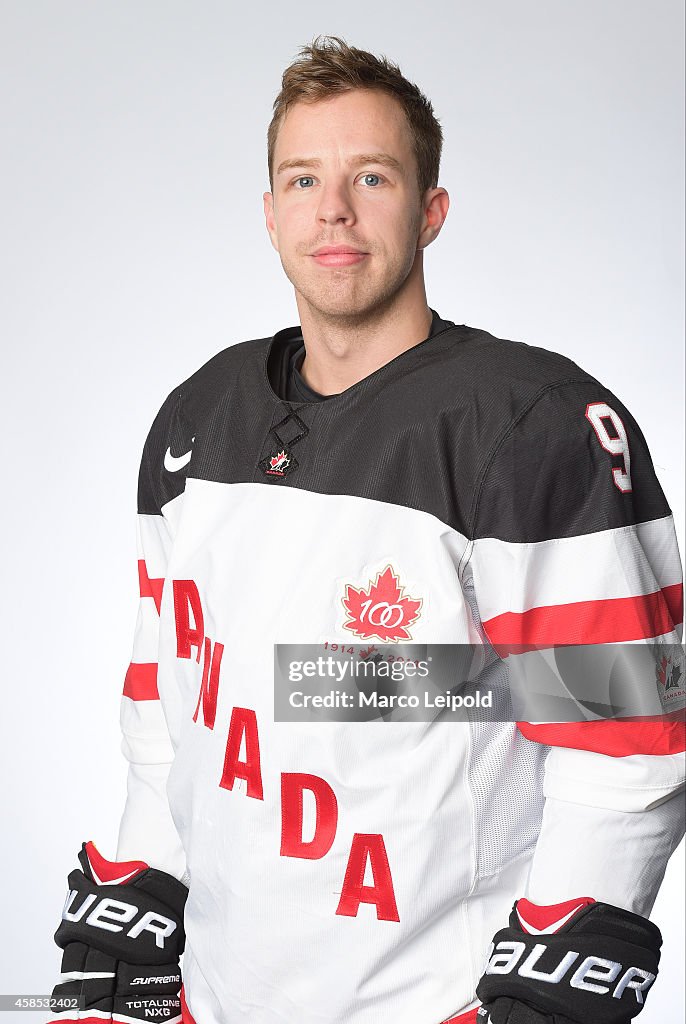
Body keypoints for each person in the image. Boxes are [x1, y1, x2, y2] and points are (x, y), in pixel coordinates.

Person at [47, 35, 684, 1024]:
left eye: (370, 176)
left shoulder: (527, 424)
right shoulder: (194, 419)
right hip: (213, 1001)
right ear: (268, 215)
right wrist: (138, 901)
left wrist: (545, 992)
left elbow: (627, 733)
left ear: (429, 209)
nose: (332, 209)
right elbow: (173, 712)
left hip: (430, 1003)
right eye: (302, 178)